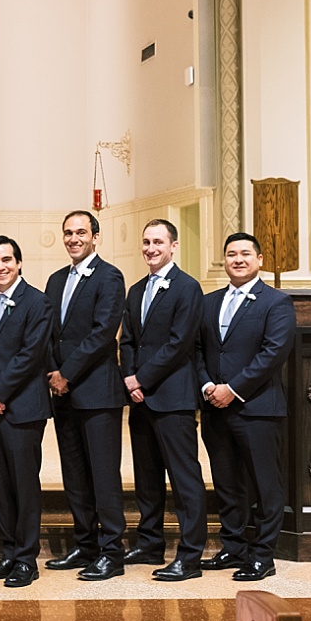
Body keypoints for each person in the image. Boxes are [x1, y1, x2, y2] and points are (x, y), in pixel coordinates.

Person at [197, 232, 296, 581]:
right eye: (231, 254)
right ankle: (233, 547)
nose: (237, 259)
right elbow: (197, 350)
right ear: (223, 261)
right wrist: (209, 385)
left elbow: (273, 354)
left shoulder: (276, 302)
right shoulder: (208, 303)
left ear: (259, 260)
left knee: (265, 485)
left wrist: (233, 389)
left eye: (244, 254)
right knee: (226, 483)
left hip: (257, 408)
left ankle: (263, 555)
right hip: (214, 408)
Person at [118, 219, 207, 582]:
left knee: (184, 479)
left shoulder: (188, 288)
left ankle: (190, 555)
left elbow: (179, 343)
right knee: (147, 477)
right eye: (146, 241)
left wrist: (142, 377)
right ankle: (150, 541)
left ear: (174, 246)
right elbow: (126, 339)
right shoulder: (137, 289)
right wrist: (128, 377)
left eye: (158, 241)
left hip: (173, 396)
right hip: (140, 398)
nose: (151, 248)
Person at [44, 210, 127, 581]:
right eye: (68, 233)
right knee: (74, 474)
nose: (74, 238)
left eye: (81, 232)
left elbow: (102, 332)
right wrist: (52, 374)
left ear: (95, 236)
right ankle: (84, 544)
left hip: (96, 391)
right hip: (62, 394)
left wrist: (66, 373)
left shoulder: (109, 276)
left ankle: (112, 550)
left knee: (103, 475)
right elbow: (48, 333)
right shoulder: (56, 279)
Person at [0, 236, 52, 588]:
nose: (0, 267)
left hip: (23, 407)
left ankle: (26, 559)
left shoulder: (38, 302)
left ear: (19, 262)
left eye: (6, 260)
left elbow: (30, 355)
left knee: (23, 484)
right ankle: (8, 552)